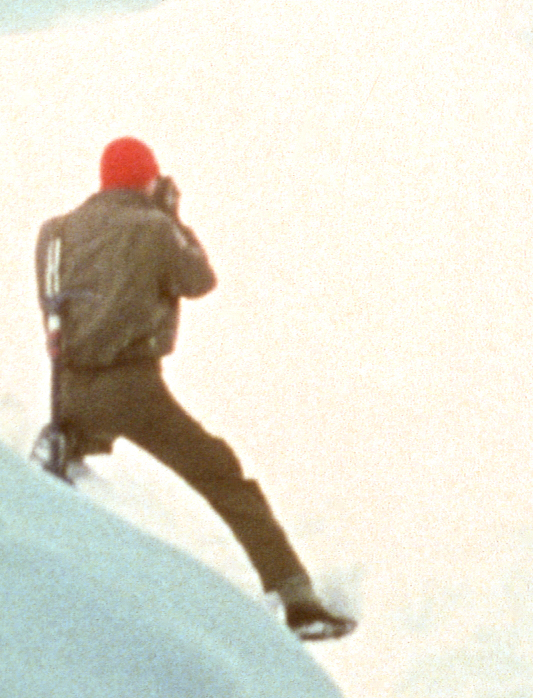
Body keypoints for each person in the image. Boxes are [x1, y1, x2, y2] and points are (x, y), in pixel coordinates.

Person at [34, 136, 353, 641]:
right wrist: (173, 218)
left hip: (71, 391)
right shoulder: (155, 228)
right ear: (149, 178)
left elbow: (53, 305)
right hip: (135, 391)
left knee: (57, 485)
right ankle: (298, 600)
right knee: (223, 477)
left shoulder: (56, 231)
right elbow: (200, 280)